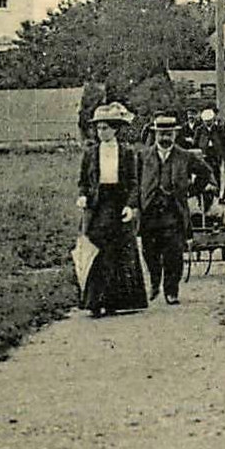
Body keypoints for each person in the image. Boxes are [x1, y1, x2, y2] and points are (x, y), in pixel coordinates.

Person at [76, 102, 148, 318]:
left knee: (118, 251)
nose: (101, 132)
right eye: (98, 128)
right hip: (97, 206)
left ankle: (116, 301)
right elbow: (83, 181)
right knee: (96, 250)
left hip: (118, 203)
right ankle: (95, 302)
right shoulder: (90, 153)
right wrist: (82, 196)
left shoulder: (126, 153)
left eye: (105, 128)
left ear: (115, 129)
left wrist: (131, 205)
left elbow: (134, 182)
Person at [138, 115, 216, 305]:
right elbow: (133, 181)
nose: (165, 138)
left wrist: (191, 191)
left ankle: (171, 290)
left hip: (174, 212)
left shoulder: (185, 156)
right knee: (150, 252)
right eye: (161, 134)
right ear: (155, 135)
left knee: (174, 253)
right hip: (149, 212)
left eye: (169, 134)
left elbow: (206, 173)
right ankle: (155, 282)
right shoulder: (143, 156)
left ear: (174, 135)